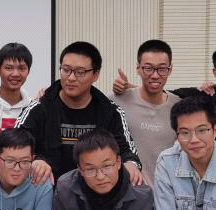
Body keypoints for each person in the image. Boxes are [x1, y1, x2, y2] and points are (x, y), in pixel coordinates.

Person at [15, 41, 143, 186]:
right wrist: (35, 160)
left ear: (95, 74)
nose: (71, 78)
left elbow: (127, 151)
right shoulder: (39, 107)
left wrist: (131, 164)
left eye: (80, 72)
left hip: (97, 191)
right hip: (48, 191)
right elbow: (14, 144)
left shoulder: (110, 112)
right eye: (66, 70)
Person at [109, 39, 180, 185]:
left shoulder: (179, 107)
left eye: (162, 69)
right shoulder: (116, 101)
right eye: (148, 68)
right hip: (128, 191)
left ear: (170, 69)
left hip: (166, 192)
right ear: (138, 68)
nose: (155, 75)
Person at [0, 42, 34, 131]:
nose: (15, 74)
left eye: (22, 68)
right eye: (9, 68)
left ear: (28, 71)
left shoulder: (33, 109)